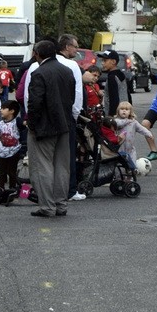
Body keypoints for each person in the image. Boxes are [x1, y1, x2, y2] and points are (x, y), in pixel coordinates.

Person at [26, 39, 75, 218]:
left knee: (43, 167)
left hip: (44, 127)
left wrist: (31, 124)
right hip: (64, 124)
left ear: (38, 54)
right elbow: (71, 98)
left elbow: (35, 103)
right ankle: (61, 204)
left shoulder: (39, 73)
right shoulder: (67, 71)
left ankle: (47, 206)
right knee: (62, 167)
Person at [56, 35, 84, 202]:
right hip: (67, 115)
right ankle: (71, 190)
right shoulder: (72, 65)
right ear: (66, 47)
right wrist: (75, 114)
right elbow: (77, 93)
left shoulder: (43, 64)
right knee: (68, 154)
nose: (77, 49)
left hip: (49, 116)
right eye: (75, 46)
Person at [111, 101, 157, 177]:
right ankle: (118, 176)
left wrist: (149, 134)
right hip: (119, 148)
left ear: (130, 112)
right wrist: (127, 121)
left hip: (130, 149)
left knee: (131, 163)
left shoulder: (133, 122)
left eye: (126, 109)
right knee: (119, 164)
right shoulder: (116, 121)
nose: (124, 111)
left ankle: (131, 175)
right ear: (118, 111)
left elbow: (141, 129)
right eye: (122, 109)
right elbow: (119, 124)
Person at [99, 50, 130, 116]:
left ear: (113, 62)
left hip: (115, 117)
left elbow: (113, 99)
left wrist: (111, 117)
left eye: (105, 61)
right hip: (125, 114)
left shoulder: (112, 77)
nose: (102, 63)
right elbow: (128, 94)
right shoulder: (121, 74)